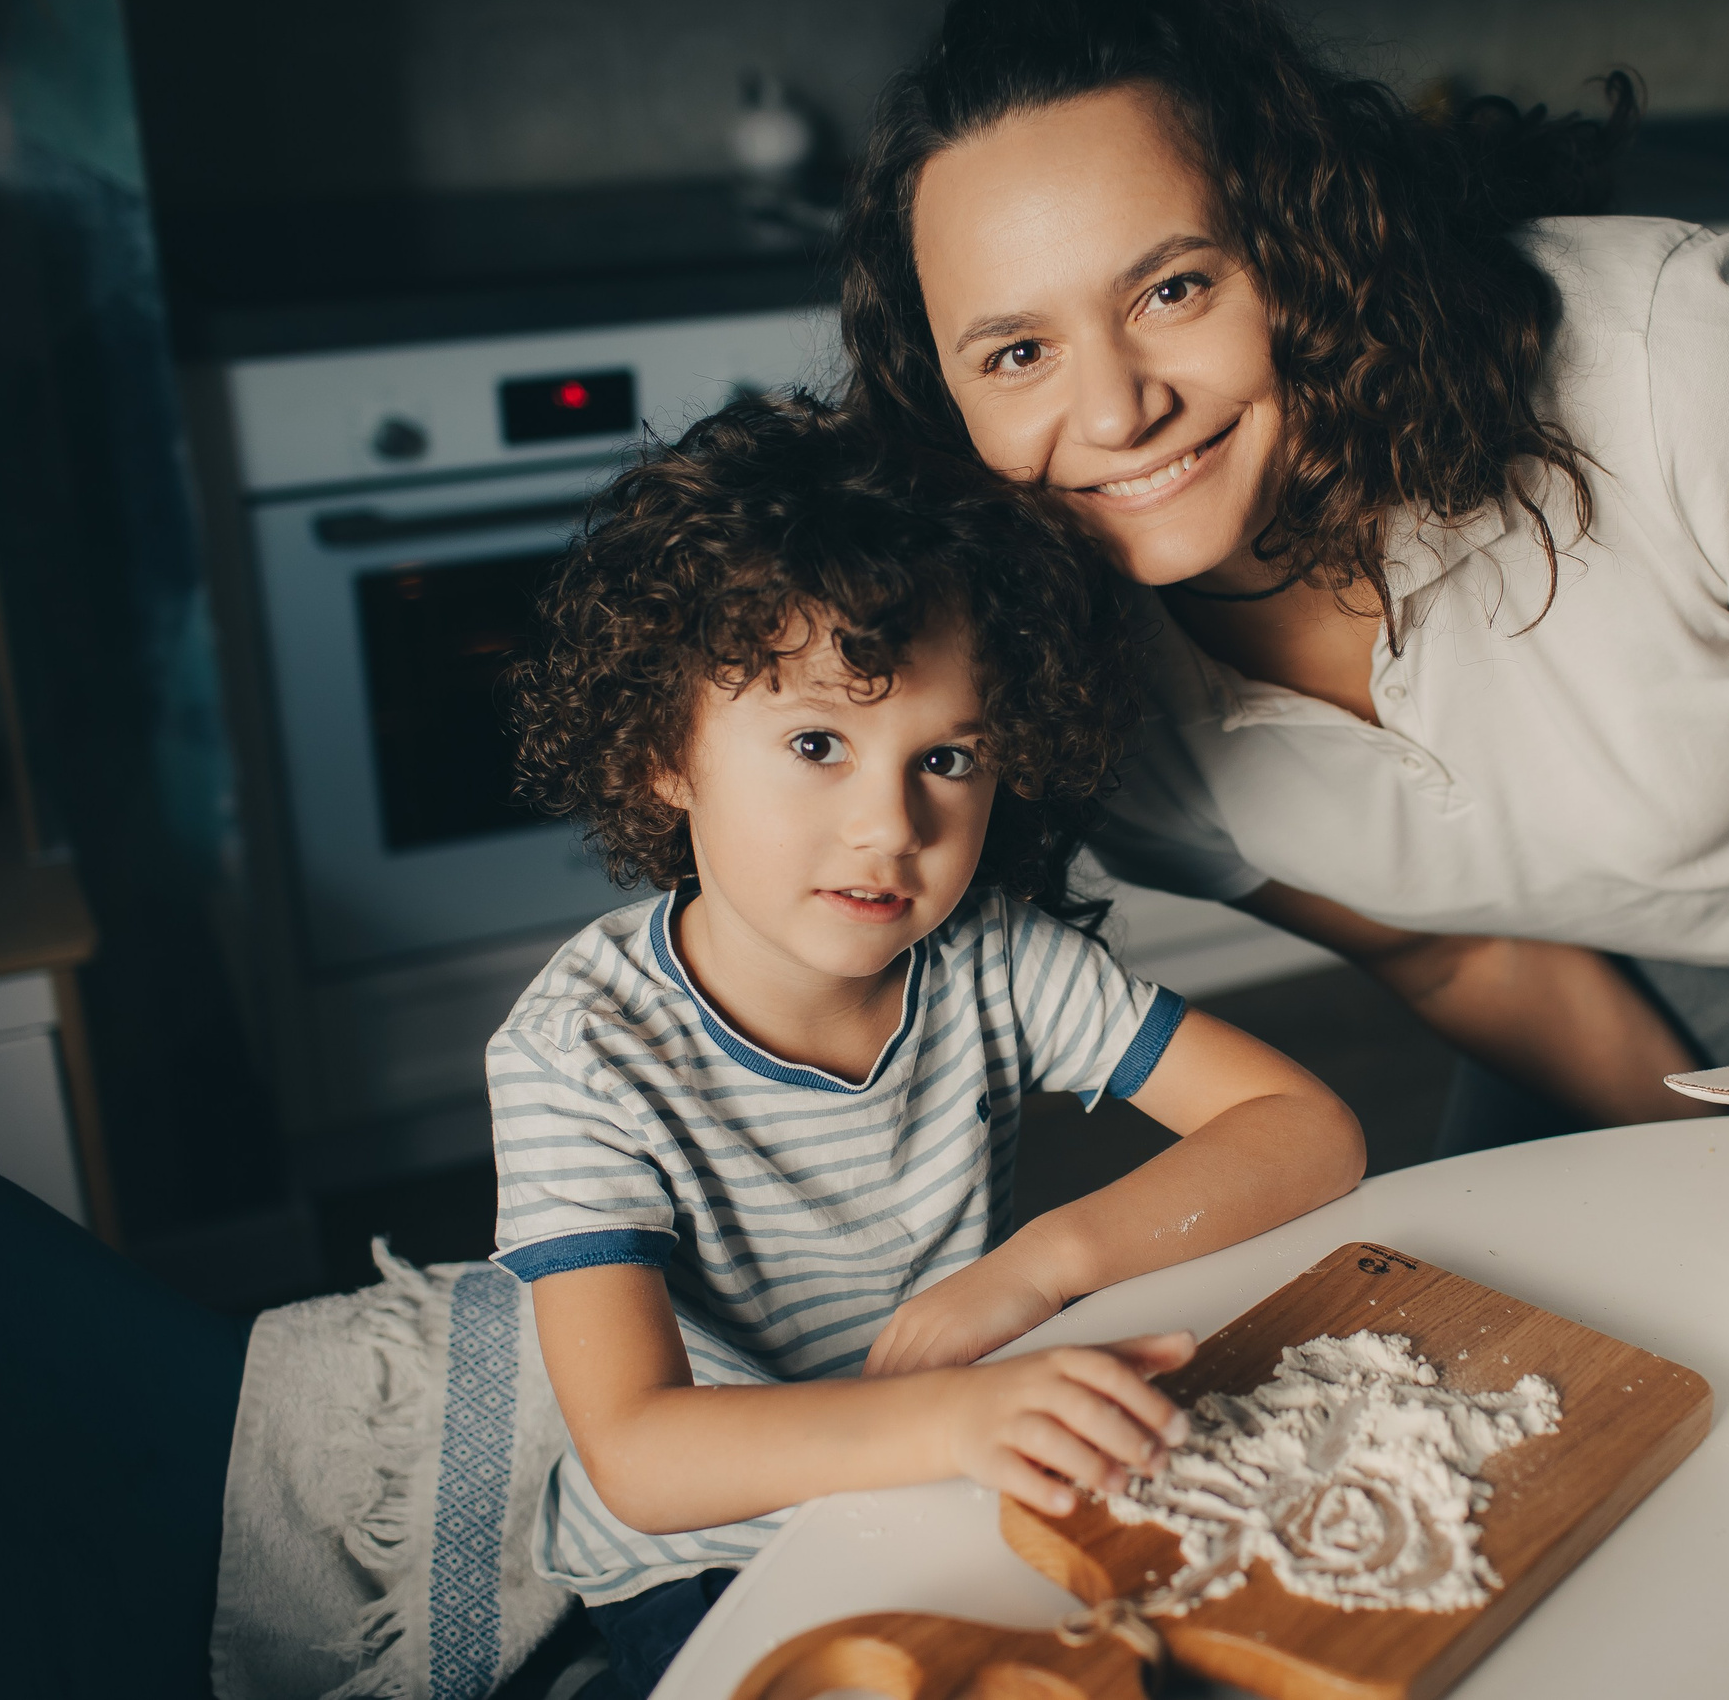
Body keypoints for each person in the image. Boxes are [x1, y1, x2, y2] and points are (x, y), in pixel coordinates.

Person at [837, 0, 1729, 1156]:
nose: (1111, 411)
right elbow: (1457, 958)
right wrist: (1716, 1179)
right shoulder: (1064, 698)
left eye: (1173, 289)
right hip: (1645, 900)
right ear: (942, 396)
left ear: (1301, 252)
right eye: (1016, 351)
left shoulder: (1665, 366)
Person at [491, 393, 1368, 1697]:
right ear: (663, 754)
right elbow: (640, 1454)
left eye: (947, 756)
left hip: (956, 1475)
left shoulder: (994, 957)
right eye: (815, 743)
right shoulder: (583, 1050)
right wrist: (953, 1414)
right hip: (715, 1557)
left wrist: (1037, 1269)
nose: (887, 826)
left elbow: (1309, 1133)